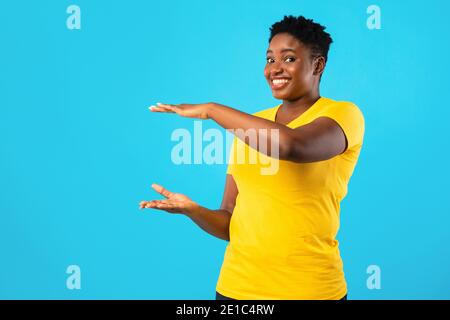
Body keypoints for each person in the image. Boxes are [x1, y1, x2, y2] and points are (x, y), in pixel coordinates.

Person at [139, 15, 364, 300]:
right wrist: (192, 210)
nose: (275, 69)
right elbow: (229, 221)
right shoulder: (251, 126)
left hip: (310, 290)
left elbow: (292, 146)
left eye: (289, 59)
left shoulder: (342, 115)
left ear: (317, 65)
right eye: (270, 60)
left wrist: (211, 109)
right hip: (237, 289)